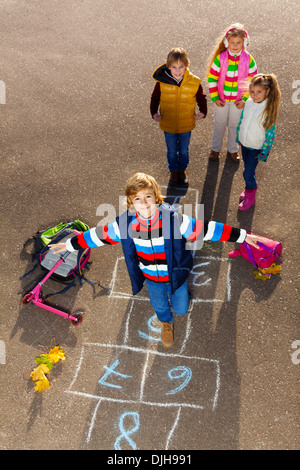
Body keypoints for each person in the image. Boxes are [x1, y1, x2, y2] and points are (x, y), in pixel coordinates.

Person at [49, 172, 263, 349]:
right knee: (159, 305)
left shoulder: (173, 219)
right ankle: (166, 323)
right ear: (131, 203)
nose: (144, 204)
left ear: (157, 197)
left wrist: (243, 236)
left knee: (181, 308)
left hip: (175, 275)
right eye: (137, 199)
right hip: (151, 277)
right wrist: (69, 245)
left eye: (148, 197)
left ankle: (183, 298)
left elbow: (208, 229)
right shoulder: (125, 224)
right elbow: (98, 236)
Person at [150, 47, 207, 187]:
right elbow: (155, 98)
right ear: (168, 67)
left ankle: (182, 170)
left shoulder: (194, 81)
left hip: (186, 123)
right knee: (171, 150)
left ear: (186, 66)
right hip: (168, 123)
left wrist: (203, 111)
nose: (177, 70)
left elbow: (201, 97)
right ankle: (173, 171)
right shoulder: (162, 82)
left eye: (181, 67)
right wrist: (154, 112)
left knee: (183, 149)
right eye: (174, 67)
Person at [207, 23, 257, 161]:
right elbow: (212, 78)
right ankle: (215, 149)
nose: (235, 45)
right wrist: (215, 96)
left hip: (238, 102)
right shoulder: (221, 58)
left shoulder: (249, 60)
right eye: (232, 42)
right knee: (219, 125)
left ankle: (233, 150)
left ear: (245, 42)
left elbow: (252, 81)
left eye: (239, 42)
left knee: (235, 126)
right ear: (226, 42)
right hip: (221, 100)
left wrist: (245, 99)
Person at [236, 73, 281, 210]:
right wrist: (239, 136)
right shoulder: (249, 102)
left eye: (259, 92)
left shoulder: (268, 109)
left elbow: (270, 134)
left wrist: (264, 152)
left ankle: (251, 195)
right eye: (252, 91)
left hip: (256, 147)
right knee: (247, 170)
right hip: (245, 143)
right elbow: (242, 120)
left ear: (267, 91)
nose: (255, 95)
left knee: (247, 173)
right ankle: (249, 185)